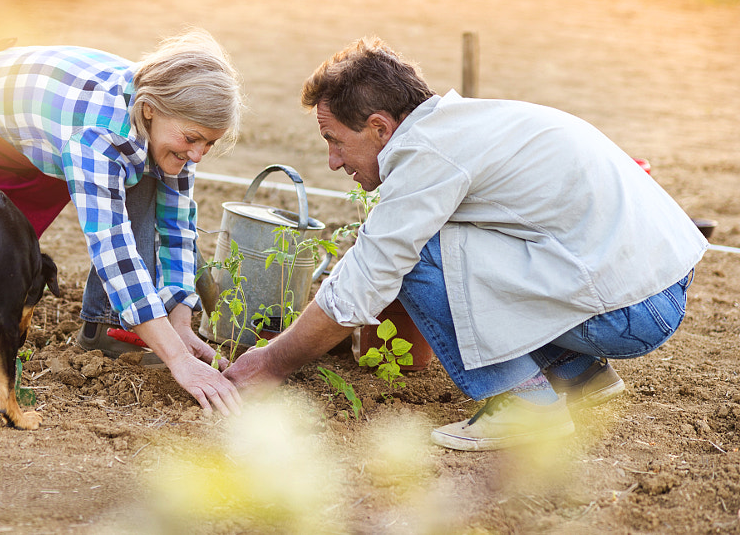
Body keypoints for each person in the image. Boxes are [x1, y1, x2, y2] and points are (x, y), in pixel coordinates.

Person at [225, 36, 707, 449]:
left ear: (379, 127)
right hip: (654, 287)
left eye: (334, 140)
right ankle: (577, 373)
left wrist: (270, 362)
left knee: (415, 253)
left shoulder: (426, 153)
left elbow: (370, 275)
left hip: (632, 311)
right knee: (439, 242)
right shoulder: (462, 125)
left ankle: (523, 404)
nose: (332, 162)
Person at [0, 29, 244, 416]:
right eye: (193, 139)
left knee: (152, 168)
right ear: (149, 110)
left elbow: (177, 226)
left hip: (13, 157)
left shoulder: (164, 118)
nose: (197, 155)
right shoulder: (99, 134)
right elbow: (113, 249)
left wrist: (179, 323)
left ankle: (109, 329)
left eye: (209, 144)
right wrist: (178, 359)